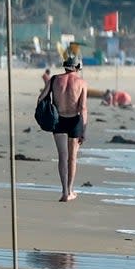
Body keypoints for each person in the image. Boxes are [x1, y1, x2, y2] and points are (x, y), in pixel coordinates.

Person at [50, 55, 88, 202]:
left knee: (62, 156)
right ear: (77, 67)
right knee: (72, 158)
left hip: (58, 119)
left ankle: (64, 190)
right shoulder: (81, 83)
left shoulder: (54, 79)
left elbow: (41, 98)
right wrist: (84, 130)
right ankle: (70, 191)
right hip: (74, 120)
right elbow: (83, 107)